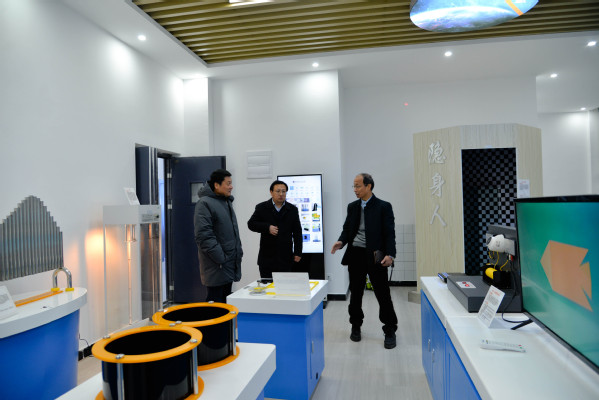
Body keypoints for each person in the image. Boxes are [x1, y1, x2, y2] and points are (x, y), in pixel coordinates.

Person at [331, 173, 398, 349]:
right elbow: (347, 229)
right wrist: (341, 241)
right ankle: (355, 325)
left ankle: (389, 329)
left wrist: (390, 255)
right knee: (356, 293)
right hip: (356, 254)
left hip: (376, 255)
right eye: (354, 186)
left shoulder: (383, 206)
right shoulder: (352, 207)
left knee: (382, 294)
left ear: (369, 186)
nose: (355, 189)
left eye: (358, 186)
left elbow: (389, 233)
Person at [194, 169, 243, 303]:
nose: (231, 187)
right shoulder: (204, 203)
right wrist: (221, 258)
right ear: (216, 185)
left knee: (226, 303)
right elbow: (204, 236)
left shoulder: (225, 201)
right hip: (217, 265)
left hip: (228, 263)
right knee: (215, 304)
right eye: (228, 183)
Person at [248, 180, 303, 278]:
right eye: (278, 191)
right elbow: (251, 224)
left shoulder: (292, 209)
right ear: (271, 192)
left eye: (283, 191)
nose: (281, 194)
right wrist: (267, 227)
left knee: (284, 286)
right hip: (267, 258)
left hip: (285, 257)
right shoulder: (262, 207)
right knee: (267, 286)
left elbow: (297, 232)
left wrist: (298, 252)